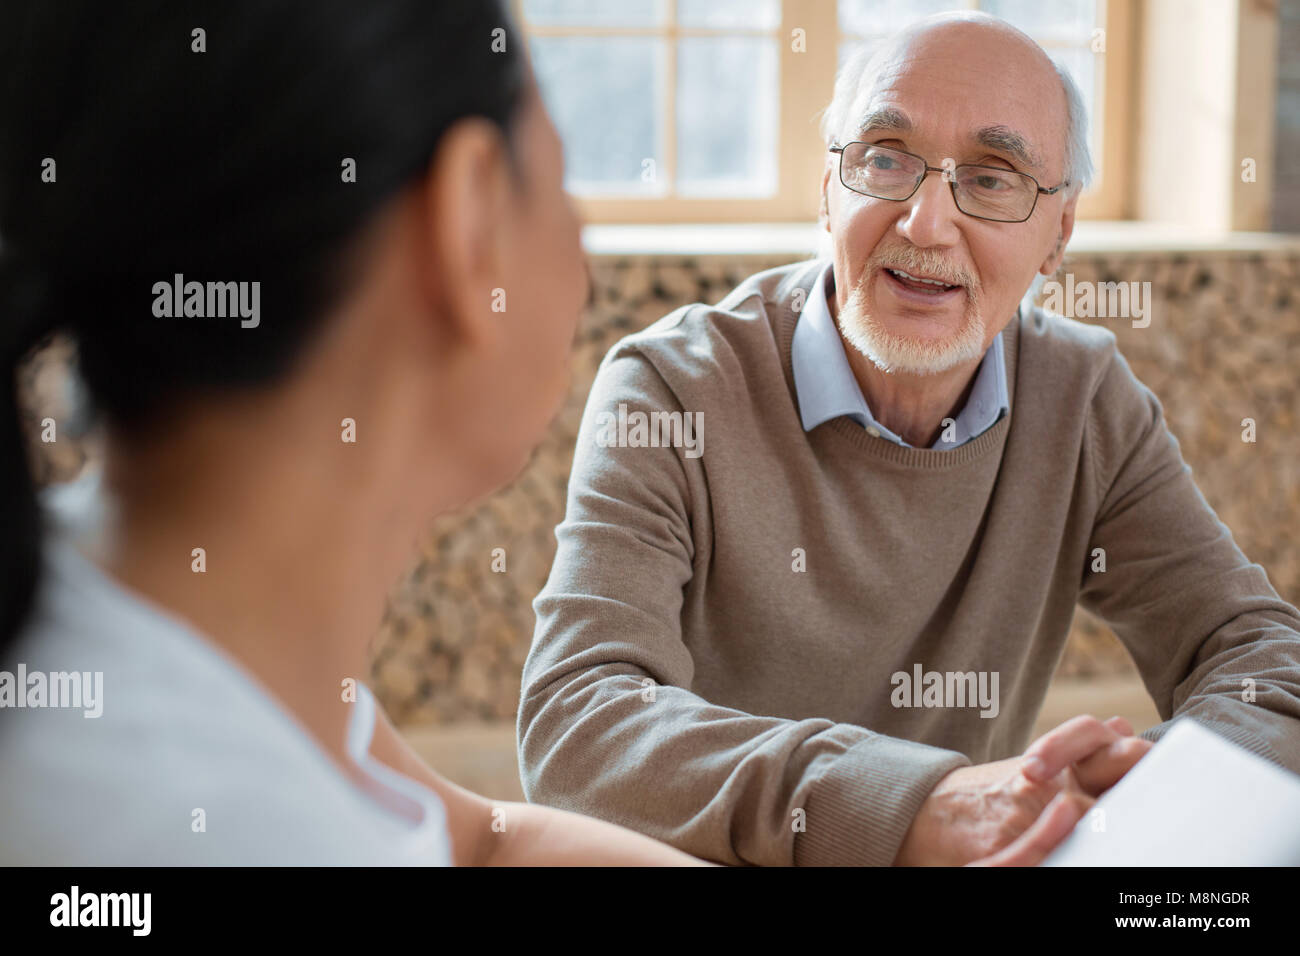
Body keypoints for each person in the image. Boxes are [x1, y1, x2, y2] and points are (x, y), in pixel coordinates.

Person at [518, 11, 1300, 866]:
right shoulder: (672, 388)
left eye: (994, 178)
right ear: (828, 189)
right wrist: (919, 805)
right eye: (885, 158)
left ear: (1059, 235)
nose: (926, 224)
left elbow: (1264, 662)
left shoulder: (1083, 398)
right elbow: (578, 725)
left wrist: (1129, 788)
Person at [0, 0, 705, 865]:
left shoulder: (164, 634)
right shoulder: (214, 827)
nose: (586, 261)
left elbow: (486, 845)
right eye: (559, 183)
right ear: (470, 218)